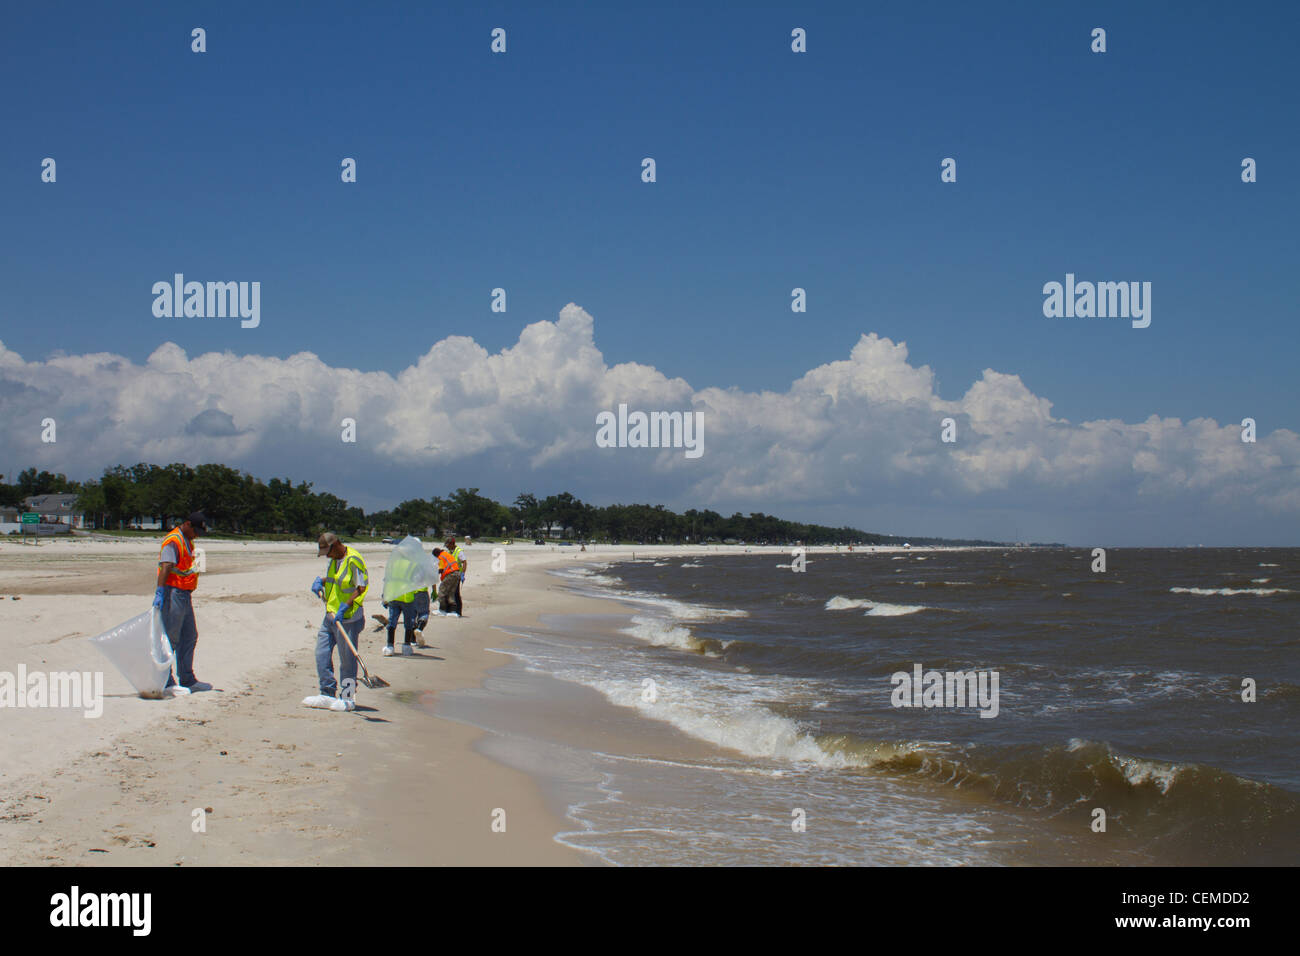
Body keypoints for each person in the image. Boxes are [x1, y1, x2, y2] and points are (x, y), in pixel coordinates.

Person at [303, 532, 369, 712]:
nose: (327, 556)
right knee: (321, 653)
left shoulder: (354, 559)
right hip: (330, 615)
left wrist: (345, 606)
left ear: (336, 545)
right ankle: (327, 693)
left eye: (328, 552)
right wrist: (321, 582)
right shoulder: (333, 561)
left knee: (347, 659)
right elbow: (335, 580)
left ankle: (348, 697)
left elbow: (362, 587)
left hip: (348, 618)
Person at [154, 511, 211, 695]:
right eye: (195, 531)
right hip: (172, 594)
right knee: (170, 639)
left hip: (184, 595)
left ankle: (187, 679)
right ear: (187, 524)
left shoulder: (188, 541)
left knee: (189, 636)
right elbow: (166, 567)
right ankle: (166, 682)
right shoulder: (173, 541)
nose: (196, 535)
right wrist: (160, 592)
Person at [383, 585, 420, 656]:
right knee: (408, 623)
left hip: (394, 596)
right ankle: (407, 646)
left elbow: (387, 580)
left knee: (392, 622)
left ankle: (390, 646)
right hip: (407, 598)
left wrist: (385, 595)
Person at [432, 546, 459, 616]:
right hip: (457, 574)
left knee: (442, 590)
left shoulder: (440, 557)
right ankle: (453, 611)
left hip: (450, 574)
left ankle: (442, 610)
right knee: (451, 593)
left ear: (436, 554)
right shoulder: (446, 554)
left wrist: (433, 572)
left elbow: (441, 569)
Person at [445, 537, 468, 617]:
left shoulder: (459, 551)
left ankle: (458, 612)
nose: (447, 547)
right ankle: (448, 610)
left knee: (455, 593)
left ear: (452, 544)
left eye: (448, 545)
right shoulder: (449, 551)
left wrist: (463, 574)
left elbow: (464, 562)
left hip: (457, 575)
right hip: (449, 575)